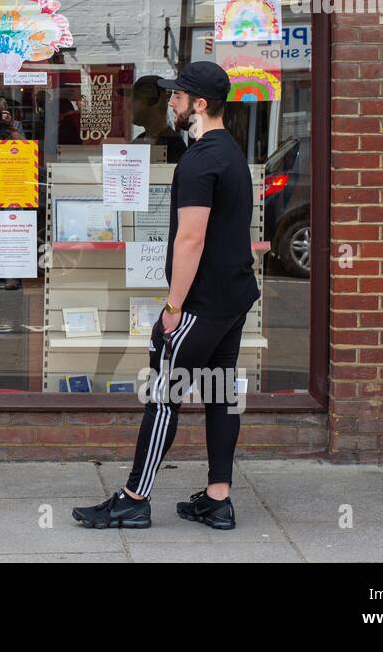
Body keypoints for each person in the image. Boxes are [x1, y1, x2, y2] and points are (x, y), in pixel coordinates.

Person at [73, 61, 259, 532]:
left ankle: (134, 498)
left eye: (177, 96)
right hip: (232, 299)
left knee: (163, 395)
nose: (170, 102)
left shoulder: (200, 161)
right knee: (219, 393)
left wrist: (173, 306)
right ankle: (218, 499)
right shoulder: (230, 153)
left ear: (198, 104)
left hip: (200, 304)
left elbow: (190, 240)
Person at [0, 96, 24, 291]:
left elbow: (25, 148)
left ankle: (12, 276)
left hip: (11, 182)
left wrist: (11, 128)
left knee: (12, 229)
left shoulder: (14, 125)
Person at [130, 75, 188, 163]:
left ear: (152, 102)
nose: (129, 106)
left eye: (135, 99)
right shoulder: (138, 141)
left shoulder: (174, 145)